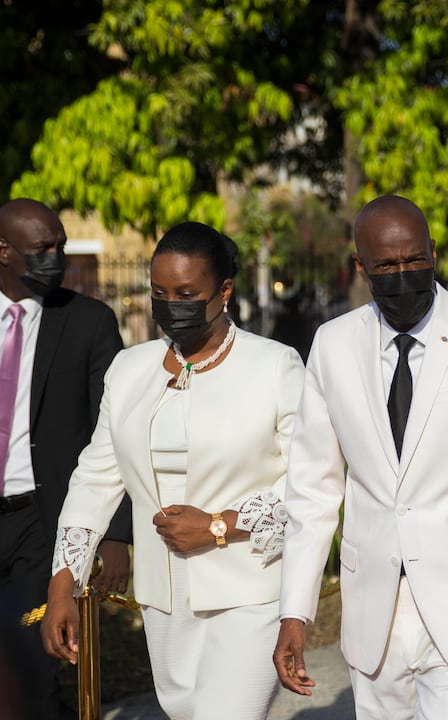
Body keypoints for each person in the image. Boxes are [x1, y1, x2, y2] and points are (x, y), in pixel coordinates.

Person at [274, 195, 448, 718]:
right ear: (361, 266)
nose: (403, 274)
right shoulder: (332, 345)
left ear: (432, 253)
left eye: (414, 261)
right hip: (372, 614)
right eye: (386, 265)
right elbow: (312, 492)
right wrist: (295, 613)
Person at [42, 223, 304, 719]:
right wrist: (62, 588)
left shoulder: (275, 366)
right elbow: (95, 479)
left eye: (187, 294)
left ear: (223, 291)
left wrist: (218, 525)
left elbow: (309, 481)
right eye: (159, 293)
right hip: (164, 600)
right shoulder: (128, 369)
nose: (171, 305)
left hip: (250, 589)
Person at [0, 198, 132, 718]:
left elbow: (117, 435)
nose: (56, 257)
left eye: (59, 246)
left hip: (54, 519)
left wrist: (117, 533)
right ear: (3, 252)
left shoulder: (88, 322)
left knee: (40, 663)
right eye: (43, 249)